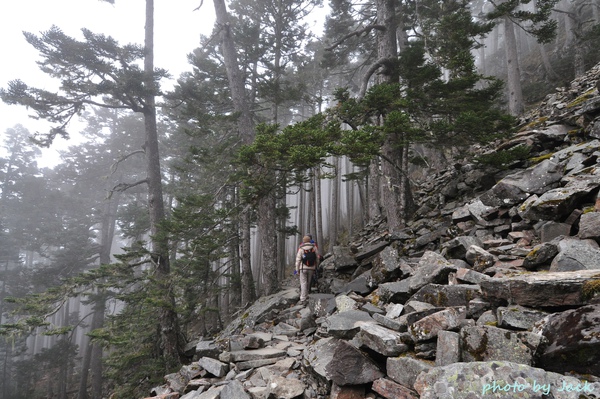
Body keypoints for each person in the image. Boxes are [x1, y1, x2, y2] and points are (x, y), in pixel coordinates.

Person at [295, 235, 319, 305]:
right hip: (311, 268)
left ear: (304, 241)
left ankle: (303, 299)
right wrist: (316, 266)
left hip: (303, 268)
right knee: (308, 283)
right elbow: (317, 258)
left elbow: (298, 260)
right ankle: (307, 295)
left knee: (303, 283)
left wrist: (297, 270)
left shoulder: (301, 248)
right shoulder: (314, 247)